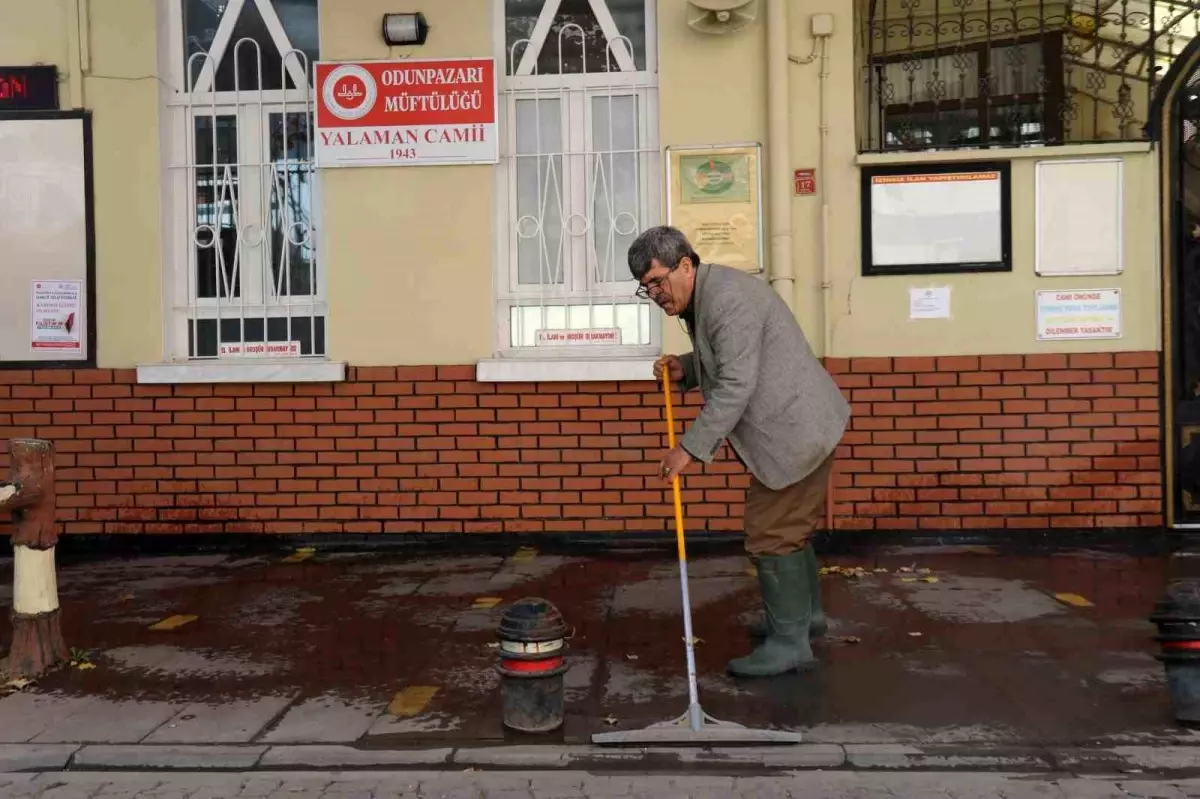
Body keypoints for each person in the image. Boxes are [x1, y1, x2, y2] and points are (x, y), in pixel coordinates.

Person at [628, 226, 851, 678]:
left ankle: (789, 644)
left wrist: (688, 449)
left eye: (657, 281)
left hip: (795, 431)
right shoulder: (710, 294)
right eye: (644, 286)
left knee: (772, 532)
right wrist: (685, 370)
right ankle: (804, 620)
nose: (653, 294)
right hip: (798, 426)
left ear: (686, 265)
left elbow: (735, 383)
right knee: (789, 527)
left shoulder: (726, 301)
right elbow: (730, 359)